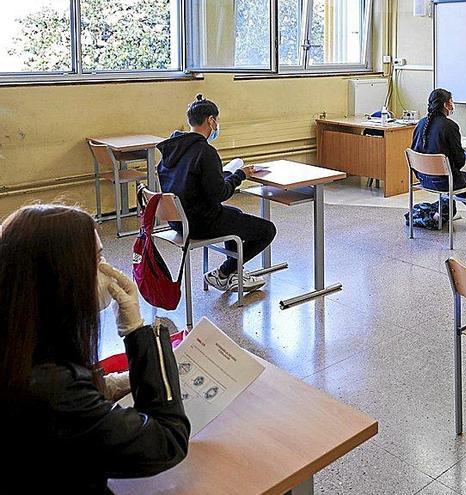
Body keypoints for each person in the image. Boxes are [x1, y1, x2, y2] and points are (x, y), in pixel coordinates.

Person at [0, 204, 190, 493]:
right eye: (98, 258)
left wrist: (117, 382)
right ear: (61, 276)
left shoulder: (17, 338)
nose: (107, 269)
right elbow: (167, 440)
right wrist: (138, 331)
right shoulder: (53, 391)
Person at [158, 94, 277, 292]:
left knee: (235, 215)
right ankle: (224, 273)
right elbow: (220, 194)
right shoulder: (204, 151)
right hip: (200, 223)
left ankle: (233, 275)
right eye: (217, 120)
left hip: (178, 220)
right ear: (211, 120)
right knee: (267, 230)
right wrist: (240, 174)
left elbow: (191, 183)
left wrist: (222, 176)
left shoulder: (172, 148)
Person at [410, 88, 466, 229]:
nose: (452, 104)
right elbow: (459, 161)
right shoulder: (450, 126)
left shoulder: (421, 124)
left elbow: (414, 150)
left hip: (423, 179)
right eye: (451, 101)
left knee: (453, 178)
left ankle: (445, 206)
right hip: (444, 181)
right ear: (446, 105)